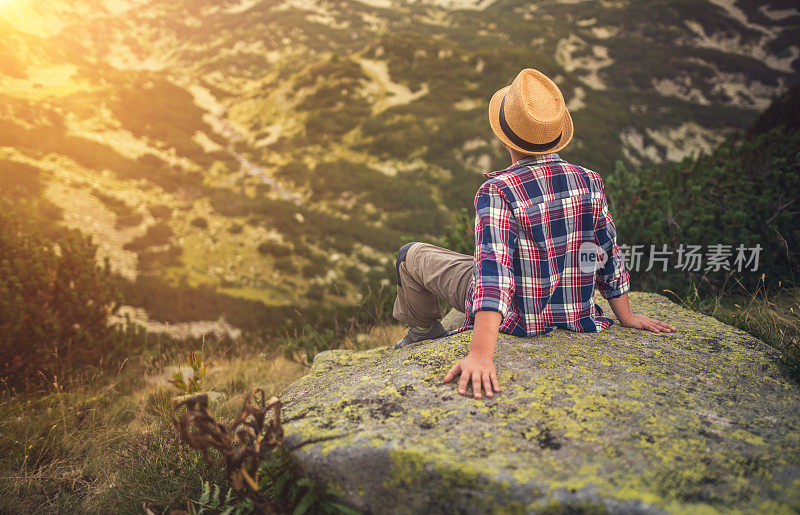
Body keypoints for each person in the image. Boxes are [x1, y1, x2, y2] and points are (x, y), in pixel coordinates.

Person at [392, 68, 676, 400]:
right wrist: (625, 316)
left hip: (518, 318)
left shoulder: (497, 191)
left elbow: (494, 273)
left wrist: (481, 354)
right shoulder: (590, 180)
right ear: (557, 134)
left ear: (504, 138)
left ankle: (424, 332)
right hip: (576, 313)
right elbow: (606, 253)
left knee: (409, 254)